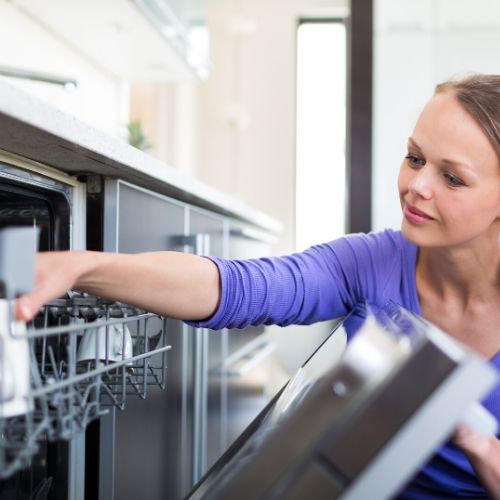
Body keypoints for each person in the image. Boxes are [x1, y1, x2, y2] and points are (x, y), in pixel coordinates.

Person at [15, 73, 500, 498]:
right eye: (415, 158)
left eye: (452, 178)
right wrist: (83, 266)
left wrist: (483, 452)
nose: (417, 185)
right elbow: (240, 287)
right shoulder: (373, 262)